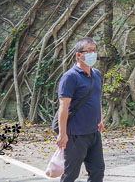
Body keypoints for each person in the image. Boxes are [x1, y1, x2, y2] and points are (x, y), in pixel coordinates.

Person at [56, 37, 104, 182]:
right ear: (78, 55)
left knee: (98, 171)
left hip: (94, 133)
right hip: (76, 135)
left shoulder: (96, 74)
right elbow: (63, 106)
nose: (92, 54)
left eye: (94, 50)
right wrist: (62, 134)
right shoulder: (70, 77)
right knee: (71, 174)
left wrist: (100, 118)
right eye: (88, 51)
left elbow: (97, 97)